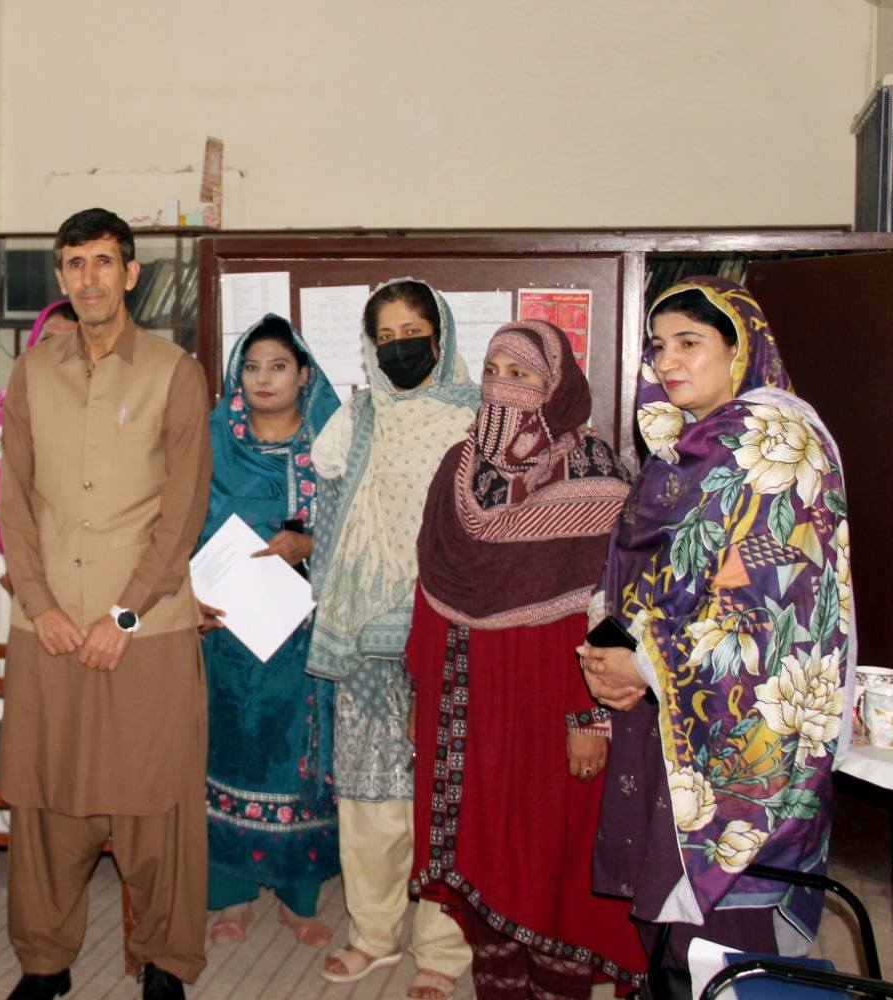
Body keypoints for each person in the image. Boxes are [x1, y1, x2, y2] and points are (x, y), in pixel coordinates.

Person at [579, 277, 854, 973]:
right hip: (674, 709)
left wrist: (645, 662)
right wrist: (614, 652)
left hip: (741, 725)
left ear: (741, 350)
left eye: (690, 342)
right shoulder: (686, 451)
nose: (667, 361)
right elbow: (650, 573)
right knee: (670, 939)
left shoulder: (774, 443)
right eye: (658, 345)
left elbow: (772, 605)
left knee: (723, 946)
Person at [0, 208, 211, 1000]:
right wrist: (40, 603)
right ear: (61, 275)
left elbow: (182, 512)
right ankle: (44, 963)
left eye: (103, 262)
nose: (89, 278)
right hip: (47, 623)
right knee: (45, 802)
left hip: (144, 628)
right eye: (75, 263)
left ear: (131, 273)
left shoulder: (173, 372)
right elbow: (12, 501)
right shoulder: (31, 373)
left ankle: (165, 962)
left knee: (155, 804)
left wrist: (124, 614)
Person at [406, 320, 645, 998]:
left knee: (550, 860)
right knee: (480, 853)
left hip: (554, 703)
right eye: (493, 372)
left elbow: (615, 607)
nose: (502, 387)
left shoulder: (596, 476)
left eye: (523, 376)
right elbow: (431, 584)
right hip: (467, 705)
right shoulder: (458, 471)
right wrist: (423, 696)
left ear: (557, 387)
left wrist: (590, 717)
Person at [306, 278, 479, 999]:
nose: (399, 347)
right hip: (368, 631)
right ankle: (373, 934)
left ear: (442, 335)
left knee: (448, 794)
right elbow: (326, 503)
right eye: (386, 337)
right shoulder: (358, 417)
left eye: (413, 333)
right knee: (370, 794)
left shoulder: (482, 419)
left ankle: (442, 948)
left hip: (454, 628)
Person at [197, 314, 342, 949]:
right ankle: (229, 894)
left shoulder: (333, 445)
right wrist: (189, 594)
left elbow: (361, 528)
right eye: (252, 367)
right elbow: (181, 522)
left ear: (303, 374)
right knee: (226, 749)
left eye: (278, 366)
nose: (264, 378)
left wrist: (309, 542)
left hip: (306, 636)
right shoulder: (212, 444)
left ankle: (297, 897)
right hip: (227, 633)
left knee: (300, 761)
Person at [0, 300, 78, 685]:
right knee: (19, 707)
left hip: (83, 595)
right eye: (48, 341)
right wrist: (20, 585)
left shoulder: (104, 417)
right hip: (12, 595)